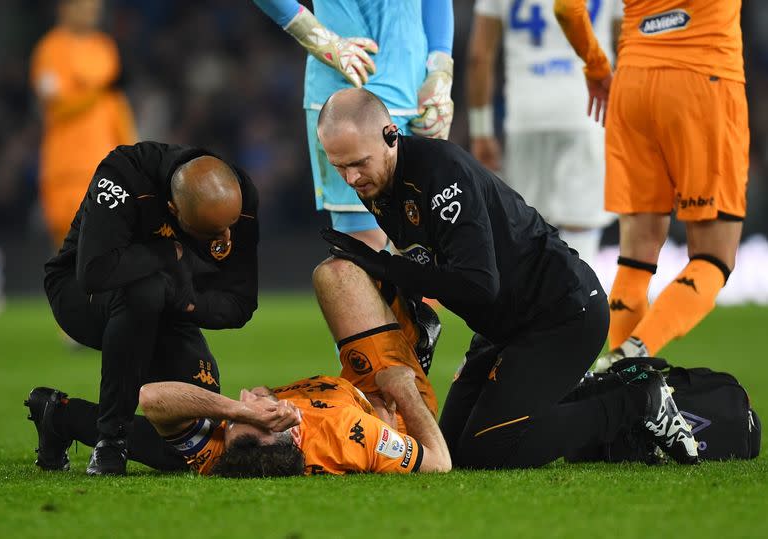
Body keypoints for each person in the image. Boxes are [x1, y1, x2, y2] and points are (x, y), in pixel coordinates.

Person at [315, 87, 698, 467]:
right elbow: (430, 262)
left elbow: (478, 285)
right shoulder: (380, 180)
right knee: (452, 451)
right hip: (504, 328)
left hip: (562, 314)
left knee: (492, 448)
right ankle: (587, 394)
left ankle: (638, 400)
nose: (351, 178)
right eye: (339, 166)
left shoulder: (441, 177)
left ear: (390, 136)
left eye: (358, 163)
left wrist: (385, 267)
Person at [24, 266, 451, 476]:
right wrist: (405, 391)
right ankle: (414, 330)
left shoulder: (221, 450)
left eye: (236, 417)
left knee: (175, 444)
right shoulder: (353, 439)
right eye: (258, 415)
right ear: (295, 430)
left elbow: (150, 398)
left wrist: (240, 414)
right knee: (335, 273)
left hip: (348, 383)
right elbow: (440, 463)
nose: (244, 401)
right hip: (386, 392)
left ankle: (57, 413)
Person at [43, 141, 259, 475]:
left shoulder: (234, 196)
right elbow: (94, 272)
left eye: (229, 226)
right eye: (210, 233)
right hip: (80, 297)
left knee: (197, 444)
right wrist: (166, 253)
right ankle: (110, 439)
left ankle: (60, 415)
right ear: (174, 210)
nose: (225, 238)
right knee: (145, 289)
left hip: (165, 304)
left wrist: (185, 300)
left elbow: (240, 304)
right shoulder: (122, 176)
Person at [553, 0, 749, 368]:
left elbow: (567, 8)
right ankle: (633, 352)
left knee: (636, 257)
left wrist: (596, 64)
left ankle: (621, 387)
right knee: (713, 258)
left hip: (633, 84)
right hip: (704, 78)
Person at [252, 0, 454, 249]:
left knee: (431, 246)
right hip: (347, 96)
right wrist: (315, 35)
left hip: (419, 98)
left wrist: (441, 71)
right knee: (368, 253)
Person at [467, 0, 621, 269]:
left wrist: (481, 131)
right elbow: (629, 46)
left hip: (526, 116)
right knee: (581, 226)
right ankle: (583, 305)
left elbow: (479, 57)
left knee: (529, 228)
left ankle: (535, 306)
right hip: (587, 110)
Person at [31, 0, 137, 248]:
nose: (91, 13)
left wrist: (131, 149)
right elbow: (55, 107)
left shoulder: (104, 47)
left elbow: (116, 104)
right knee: (68, 245)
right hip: (66, 166)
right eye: (84, 7)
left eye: (95, 8)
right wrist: (96, 90)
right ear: (64, 8)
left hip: (104, 161)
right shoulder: (50, 50)